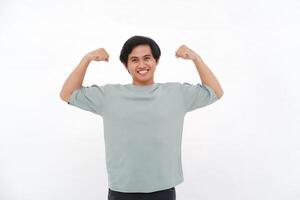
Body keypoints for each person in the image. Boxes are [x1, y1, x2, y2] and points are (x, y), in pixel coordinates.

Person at [59, 35, 224, 200]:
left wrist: (196, 58)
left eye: (147, 58)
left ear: (156, 61)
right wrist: (86, 59)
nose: (142, 65)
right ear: (126, 65)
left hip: (163, 189)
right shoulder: (109, 96)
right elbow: (67, 94)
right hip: (122, 190)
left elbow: (216, 92)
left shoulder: (176, 94)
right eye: (134, 60)